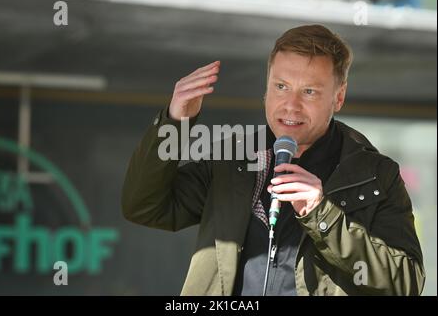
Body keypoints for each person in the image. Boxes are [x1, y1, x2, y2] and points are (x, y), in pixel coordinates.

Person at [121, 24, 425, 295]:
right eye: (280, 87)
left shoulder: (375, 174)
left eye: (309, 91)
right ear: (266, 90)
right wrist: (174, 122)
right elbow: (144, 207)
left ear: (339, 97)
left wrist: (322, 216)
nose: (290, 106)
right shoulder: (232, 157)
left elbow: (406, 284)